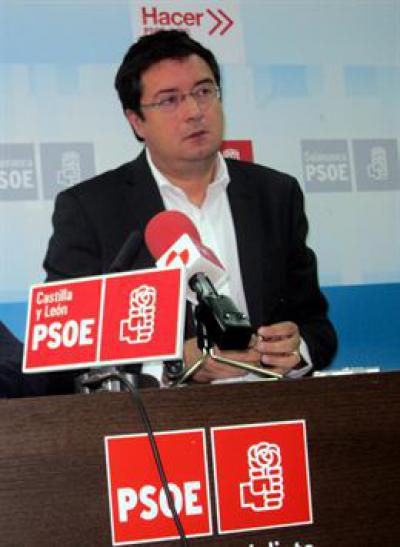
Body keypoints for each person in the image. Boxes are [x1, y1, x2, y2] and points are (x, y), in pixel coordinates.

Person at [43, 30, 337, 388]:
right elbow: (64, 351)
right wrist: (173, 364)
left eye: (204, 91)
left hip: (268, 406)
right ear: (136, 120)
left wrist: (297, 349)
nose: (195, 112)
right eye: (169, 100)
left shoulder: (275, 195)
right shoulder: (91, 209)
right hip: (158, 416)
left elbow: (316, 326)